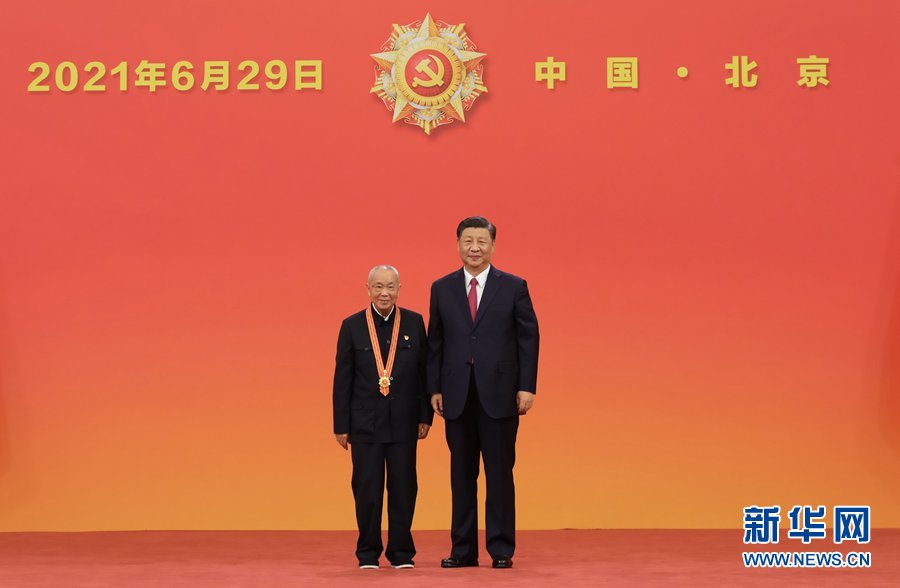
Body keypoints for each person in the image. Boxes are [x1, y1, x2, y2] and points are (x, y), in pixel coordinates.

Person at [427, 217, 540, 569]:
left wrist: (526, 386)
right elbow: (436, 342)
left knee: (499, 474)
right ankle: (462, 549)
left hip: (501, 394)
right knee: (461, 476)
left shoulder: (514, 286)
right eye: (468, 241)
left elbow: (528, 339)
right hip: (456, 395)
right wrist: (435, 387)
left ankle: (501, 548)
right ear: (458, 244)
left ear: (492, 246)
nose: (474, 248)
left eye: (481, 241)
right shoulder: (441, 288)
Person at [333, 265, 433, 569]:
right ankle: (368, 552)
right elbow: (342, 379)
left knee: (404, 487)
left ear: (400, 288)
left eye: (390, 286)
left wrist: (425, 415)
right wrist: (341, 426)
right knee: (367, 489)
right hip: (365, 423)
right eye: (378, 287)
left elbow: (424, 373)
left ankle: (401, 552)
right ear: (368, 289)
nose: (384, 293)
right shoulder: (351, 326)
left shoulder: (414, 323)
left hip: (404, 421)